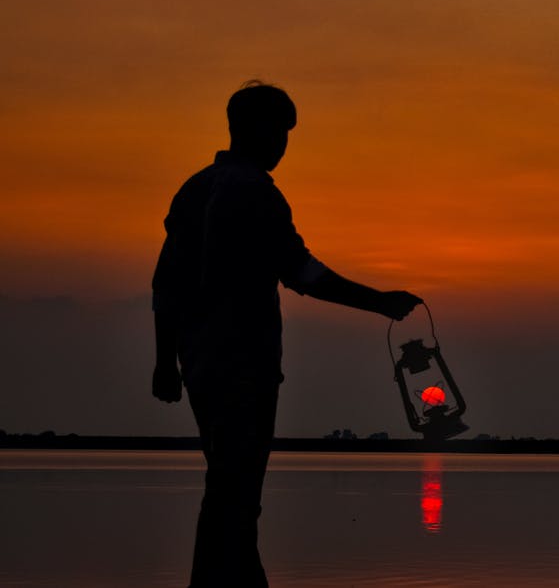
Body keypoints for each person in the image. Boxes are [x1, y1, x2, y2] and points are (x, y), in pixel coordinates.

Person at [151, 81, 421, 587]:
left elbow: (165, 283)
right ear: (253, 129)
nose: (283, 145)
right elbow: (300, 272)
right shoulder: (253, 193)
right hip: (242, 365)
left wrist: (167, 361)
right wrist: (379, 302)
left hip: (201, 365)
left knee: (228, 489)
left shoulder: (195, 187)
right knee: (236, 494)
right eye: (279, 131)